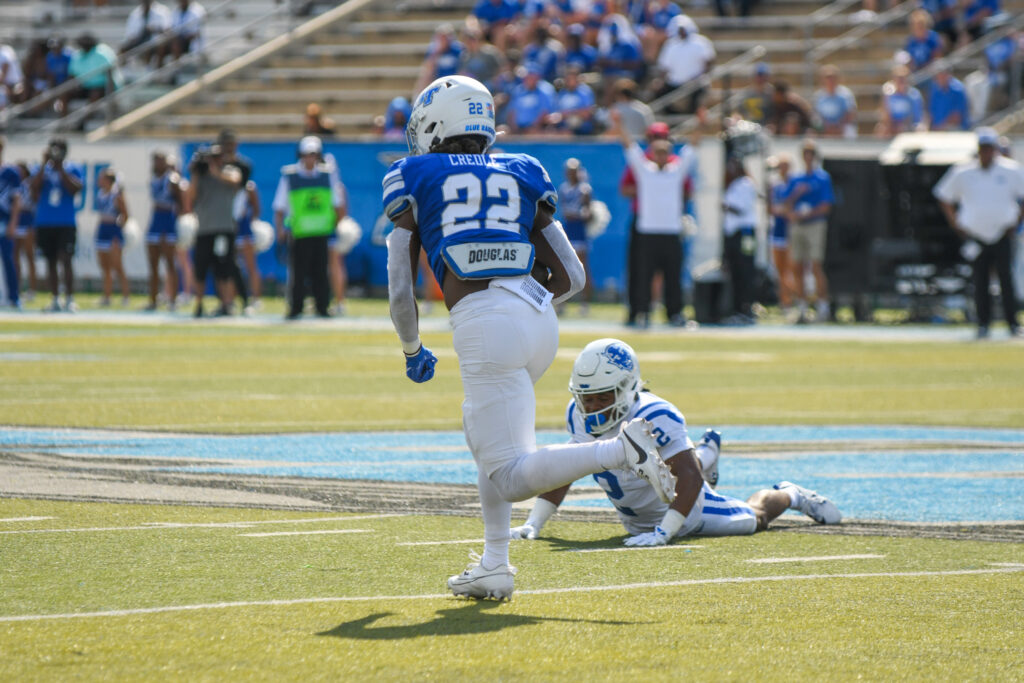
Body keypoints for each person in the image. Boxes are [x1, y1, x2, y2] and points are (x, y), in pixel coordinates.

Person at [384, 75, 676, 600]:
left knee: (509, 475)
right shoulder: (521, 169)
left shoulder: (414, 173)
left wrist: (412, 347)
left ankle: (620, 450)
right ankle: (495, 563)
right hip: (539, 322)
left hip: (485, 322)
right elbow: (573, 276)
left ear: (435, 124)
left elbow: (401, 291)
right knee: (485, 442)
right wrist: (525, 299)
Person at [510, 339, 842, 545]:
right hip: (636, 519)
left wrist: (666, 531)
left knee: (754, 519)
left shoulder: (656, 413)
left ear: (626, 387)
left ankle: (791, 493)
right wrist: (534, 522)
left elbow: (689, 477)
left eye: (601, 397)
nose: (592, 407)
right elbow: (567, 467)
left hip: (687, 509)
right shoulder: (577, 413)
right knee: (676, 461)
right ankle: (706, 453)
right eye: (586, 398)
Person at [934, 127, 1024, 339]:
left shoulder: (1010, 170)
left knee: (1006, 279)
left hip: (1003, 233)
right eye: (983, 149)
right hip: (975, 235)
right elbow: (943, 196)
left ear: (995, 150)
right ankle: (983, 324)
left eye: (989, 149)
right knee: (980, 279)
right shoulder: (964, 172)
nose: (986, 153)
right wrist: (956, 222)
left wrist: (1016, 222)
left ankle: (1012, 323)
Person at [613, 109, 688, 327]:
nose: (658, 143)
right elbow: (625, 187)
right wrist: (651, 192)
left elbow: (687, 189)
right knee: (640, 271)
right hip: (643, 221)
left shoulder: (676, 167)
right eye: (654, 138)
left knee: (672, 273)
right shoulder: (643, 166)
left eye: (661, 138)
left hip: (668, 224)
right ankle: (638, 311)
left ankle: (673, 312)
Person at [273, 135, 343, 320]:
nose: (310, 158)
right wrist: (280, 229)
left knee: (321, 272)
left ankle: (322, 307)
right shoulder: (290, 176)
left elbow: (337, 203)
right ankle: (296, 307)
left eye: (313, 154)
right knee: (298, 273)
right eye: (307, 154)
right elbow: (280, 207)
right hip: (300, 232)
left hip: (321, 231)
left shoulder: (328, 176)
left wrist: (336, 225)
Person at [184, 143, 242, 317]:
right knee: (200, 269)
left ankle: (226, 304)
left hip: (224, 229)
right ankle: (199, 304)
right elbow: (190, 198)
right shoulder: (201, 176)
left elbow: (235, 181)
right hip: (205, 229)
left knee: (224, 269)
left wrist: (214, 171)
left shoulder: (230, 171)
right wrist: (195, 174)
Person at [31, 138, 84, 312]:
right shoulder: (42, 169)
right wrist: (43, 163)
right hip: (45, 221)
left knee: (65, 259)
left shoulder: (72, 168)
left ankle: (69, 298)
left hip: (65, 221)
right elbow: (33, 189)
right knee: (50, 261)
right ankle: (54, 298)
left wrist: (61, 169)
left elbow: (76, 189)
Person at [786, 139, 834, 323]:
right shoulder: (796, 179)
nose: (807, 158)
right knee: (796, 266)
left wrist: (806, 214)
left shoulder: (822, 178)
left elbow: (826, 206)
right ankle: (802, 308)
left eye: (810, 154)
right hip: (798, 225)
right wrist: (797, 194)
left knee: (815, 265)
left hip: (814, 224)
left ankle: (822, 307)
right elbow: (785, 204)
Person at [655, 14, 715, 118]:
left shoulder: (701, 42)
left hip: (696, 82)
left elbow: (709, 62)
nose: (681, 31)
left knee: (698, 95)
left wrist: (700, 77)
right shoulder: (671, 44)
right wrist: (661, 81)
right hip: (674, 83)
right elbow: (664, 67)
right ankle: (673, 117)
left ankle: (691, 118)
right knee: (657, 91)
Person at [721, 156, 758, 323]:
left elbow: (741, 209)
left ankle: (747, 308)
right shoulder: (733, 186)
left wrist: (727, 206)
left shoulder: (746, 183)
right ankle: (737, 309)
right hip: (733, 234)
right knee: (735, 270)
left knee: (746, 269)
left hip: (745, 233)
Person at [146, 150, 182, 310]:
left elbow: (181, 201)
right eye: (155, 161)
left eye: (160, 161)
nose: (156, 164)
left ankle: (173, 299)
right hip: (156, 220)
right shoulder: (153, 179)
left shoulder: (172, 180)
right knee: (153, 264)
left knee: (170, 263)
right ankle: (153, 299)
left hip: (168, 220)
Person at [557, 158, 592, 313]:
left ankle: (585, 303)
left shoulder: (584, 189)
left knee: (583, 267)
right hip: (568, 229)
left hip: (579, 230)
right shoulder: (564, 188)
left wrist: (581, 214)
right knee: (565, 266)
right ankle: (563, 302)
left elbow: (587, 212)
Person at [94, 168, 131, 307]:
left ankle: (126, 295)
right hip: (102, 229)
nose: (99, 181)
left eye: (102, 178)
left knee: (117, 265)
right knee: (105, 266)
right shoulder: (100, 194)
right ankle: (107, 296)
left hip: (113, 230)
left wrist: (118, 229)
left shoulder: (116, 195)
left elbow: (125, 214)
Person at [767, 154, 796, 315]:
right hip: (777, 231)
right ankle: (784, 301)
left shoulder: (794, 183)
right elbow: (772, 208)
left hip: (790, 232)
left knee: (791, 269)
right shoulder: (775, 185)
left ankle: (793, 300)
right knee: (780, 270)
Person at [0, 138, 21, 308]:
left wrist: (13, 222)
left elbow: (16, 200)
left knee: (8, 258)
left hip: (4, 221)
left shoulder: (11, 173)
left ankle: (13, 297)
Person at [13, 163, 39, 299]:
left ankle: (32, 289)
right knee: (15, 255)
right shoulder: (15, 185)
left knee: (29, 255)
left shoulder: (30, 184)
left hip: (28, 218)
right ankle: (16, 287)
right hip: (18, 219)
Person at [877, 66, 924, 137]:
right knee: (881, 129)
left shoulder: (914, 95)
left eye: (903, 79)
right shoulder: (889, 95)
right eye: (898, 79)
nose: (901, 82)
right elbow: (885, 117)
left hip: (910, 125)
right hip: (893, 125)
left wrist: (903, 124)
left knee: (919, 129)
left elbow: (917, 117)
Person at [813, 64, 858, 138]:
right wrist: (826, 127)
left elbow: (850, 113)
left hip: (842, 127)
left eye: (832, 78)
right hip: (825, 128)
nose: (830, 80)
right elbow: (816, 115)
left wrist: (838, 127)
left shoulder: (846, 94)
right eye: (827, 78)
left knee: (849, 131)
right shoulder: (818, 96)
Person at [927, 63, 970, 131]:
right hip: (938, 130)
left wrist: (941, 128)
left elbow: (957, 117)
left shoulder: (958, 89)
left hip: (956, 130)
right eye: (938, 76)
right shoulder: (935, 89)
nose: (940, 78)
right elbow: (932, 113)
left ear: (948, 75)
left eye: (943, 75)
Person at [733, 62, 773, 127]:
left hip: (766, 128)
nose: (761, 78)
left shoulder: (772, 94)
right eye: (759, 75)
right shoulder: (746, 94)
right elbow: (739, 112)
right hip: (748, 127)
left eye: (763, 75)